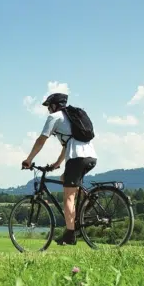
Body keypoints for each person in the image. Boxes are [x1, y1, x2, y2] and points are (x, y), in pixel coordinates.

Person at [21, 92, 96, 245]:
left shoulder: (54, 117)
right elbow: (67, 145)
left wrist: (29, 160)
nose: (48, 109)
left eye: (49, 106)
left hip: (77, 158)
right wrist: (56, 163)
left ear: (54, 106)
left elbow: (41, 139)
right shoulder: (70, 118)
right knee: (64, 179)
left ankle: (70, 234)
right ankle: (88, 199)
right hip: (90, 156)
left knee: (68, 196)